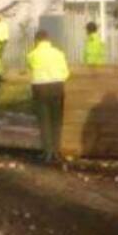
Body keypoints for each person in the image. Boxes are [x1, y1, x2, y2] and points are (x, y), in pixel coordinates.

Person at [26, 30, 70, 163]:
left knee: (44, 121)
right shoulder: (59, 53)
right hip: (57, 87)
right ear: (48, 39)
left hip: (40, 89)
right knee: (56, 120)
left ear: (37, 41)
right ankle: (56, 151)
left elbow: (31, 67)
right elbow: (66, 73)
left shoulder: (32, 55)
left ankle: (47, 152)